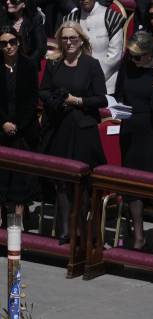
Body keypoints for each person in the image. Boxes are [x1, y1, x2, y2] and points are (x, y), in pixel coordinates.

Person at [39, 21, 105, 239]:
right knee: (62, 182)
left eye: (73, 38)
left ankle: (82, 231)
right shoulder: (54, 64)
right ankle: (66, 229)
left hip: (83, 130)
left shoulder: (92, 64)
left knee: (82, 183)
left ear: (81, 40)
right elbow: (44, 91)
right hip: (60, 127)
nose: (68, 42)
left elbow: (101, 98)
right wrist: (56, 101)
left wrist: (77, 101)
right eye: (65, 38)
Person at [115, 33, 153, 251]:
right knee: (133, 187)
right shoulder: (128, 66)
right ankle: (138, 236)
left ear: (150, 54)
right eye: (132, 56)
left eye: (139, 57)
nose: (134, 60)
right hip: (131, 131)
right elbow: (121, 93)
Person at [0, 24, 38, 226]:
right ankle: (2, 223)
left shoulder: (29, 65)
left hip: (23, 131)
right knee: (2, 178)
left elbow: (32, 101)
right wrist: (4, 123)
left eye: (12, 42)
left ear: (18, 42)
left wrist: (17, 125)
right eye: (4, 43)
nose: (8, 46)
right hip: (1, 131)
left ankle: (17, 225)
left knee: (19, 180)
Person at [66, 0, 124, 93]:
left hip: (106, 85)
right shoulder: (70, 19)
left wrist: (94, 80)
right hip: (75, 83)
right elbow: (66, 52)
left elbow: (115, 55)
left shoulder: (111, 17)